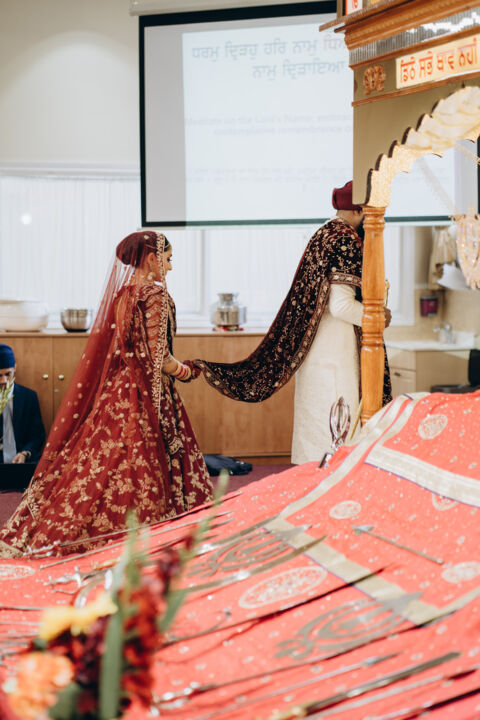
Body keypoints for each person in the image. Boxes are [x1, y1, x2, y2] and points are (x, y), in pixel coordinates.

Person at [0, 231, 213, 557]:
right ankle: (145, 533)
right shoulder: (155, 295)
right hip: (146, 393)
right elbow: (159, 357)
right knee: (139, 462)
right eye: (168, 259)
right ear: (152, 258)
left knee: (104, 462)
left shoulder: (123, 295)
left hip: (118, 391)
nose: (170, 267)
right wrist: (187, 371)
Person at [194, 181, 392, 463]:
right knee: (338, 424)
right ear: (360, 210)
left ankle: (310, 480)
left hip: (317, 349)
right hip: (335, 352)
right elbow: (340, 306)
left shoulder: (324, 233)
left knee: (316, 423)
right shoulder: (345, 240)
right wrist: (379, 317)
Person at [0, 344, 45, 465]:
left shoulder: (29, 396)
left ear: (15, 368)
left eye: (8, 374)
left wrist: (25, 453)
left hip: (22, 461)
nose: (4, 381)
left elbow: (38, 435)